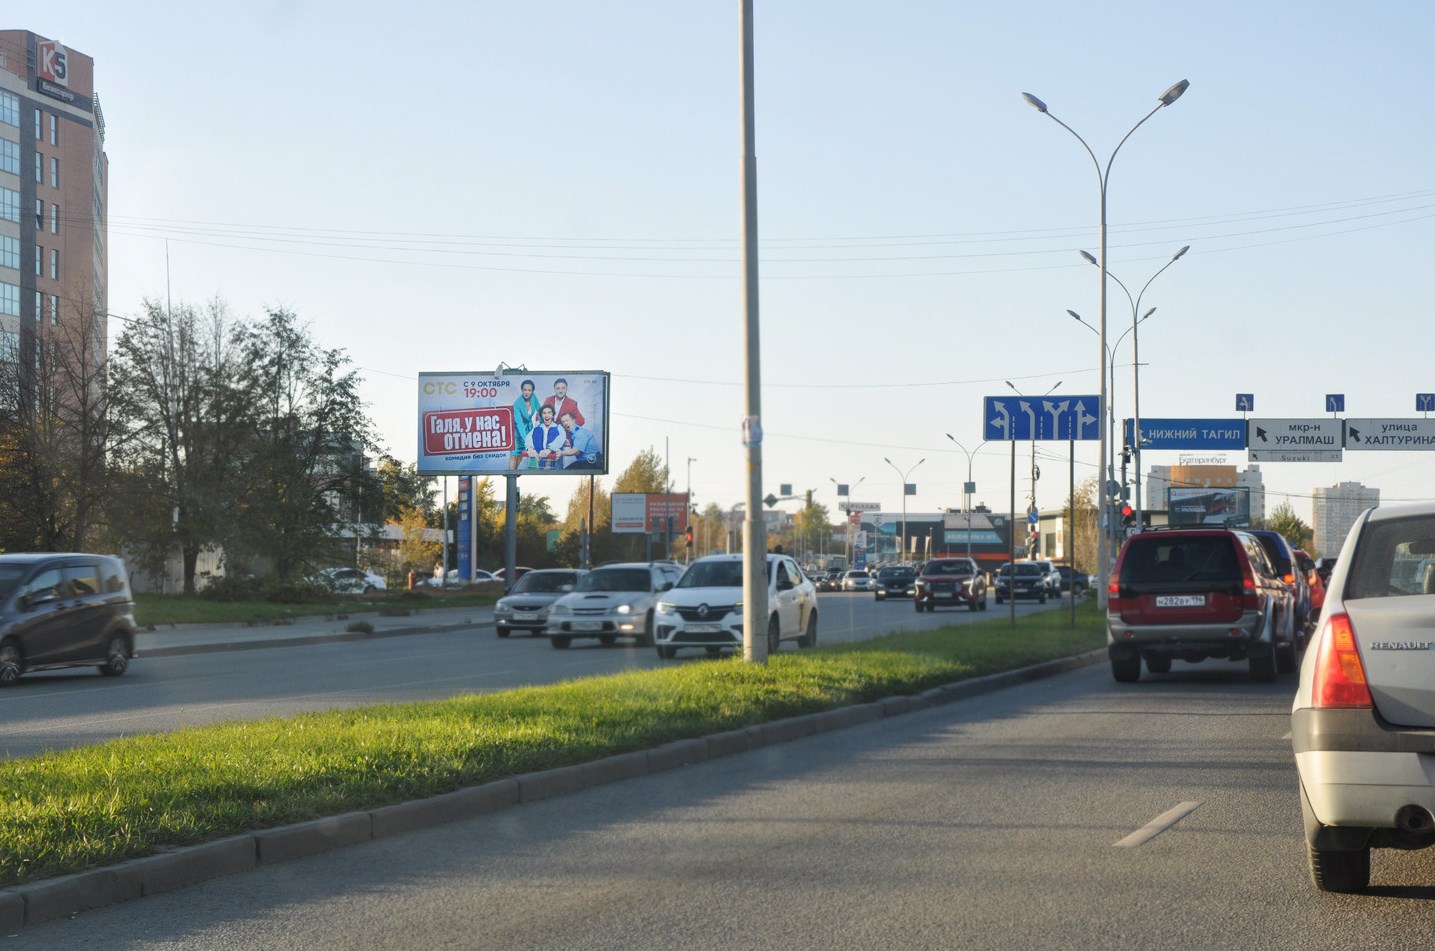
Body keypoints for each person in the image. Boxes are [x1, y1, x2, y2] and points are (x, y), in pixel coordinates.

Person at [509, 379, 541, 471]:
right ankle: (511, 474)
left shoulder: (534, 398)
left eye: (529, 390)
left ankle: (514, 471)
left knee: (521, 456)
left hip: (529, 430)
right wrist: (527, 439)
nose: (526, 392)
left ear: (532, 391)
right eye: (524, 389)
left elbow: (540, 411)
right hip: (517, 432)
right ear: (522, 390)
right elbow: (519, 423)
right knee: (514, 454)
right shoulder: (517, 404)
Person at [524, 404, 566, 469]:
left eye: (549, 413)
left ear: (552, 415)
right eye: (544, 413)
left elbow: (560, 439)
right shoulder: (536, 428)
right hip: (539, 465)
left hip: (555, 465)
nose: (547, 415)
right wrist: (530, 449)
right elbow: (528, 438)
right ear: (541, 416)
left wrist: (548, 450)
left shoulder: (559, 428)